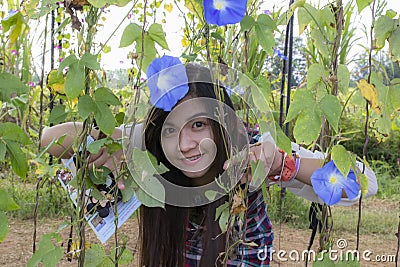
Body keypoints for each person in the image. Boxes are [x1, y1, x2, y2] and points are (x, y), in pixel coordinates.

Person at [41, 59, 378, 267]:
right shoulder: (151, 146)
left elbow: (365, 184)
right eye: (171, 128)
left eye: (198, 124)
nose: (186, 144)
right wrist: (108, 140)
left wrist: (282, 166)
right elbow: (48, 139)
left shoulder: (249, 151)